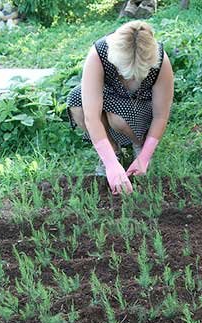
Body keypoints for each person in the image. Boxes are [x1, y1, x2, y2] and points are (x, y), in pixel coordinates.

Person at [67, 20, 174, 195]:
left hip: (140, 105)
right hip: (110, 98)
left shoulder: (161, 59)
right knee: (77, 102)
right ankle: (113, 154)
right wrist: (111, 164)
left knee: (119, 117)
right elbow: (91, 117)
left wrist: (145, 156)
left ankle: (140, 147)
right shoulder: (99, 53)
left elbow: (161, 116)